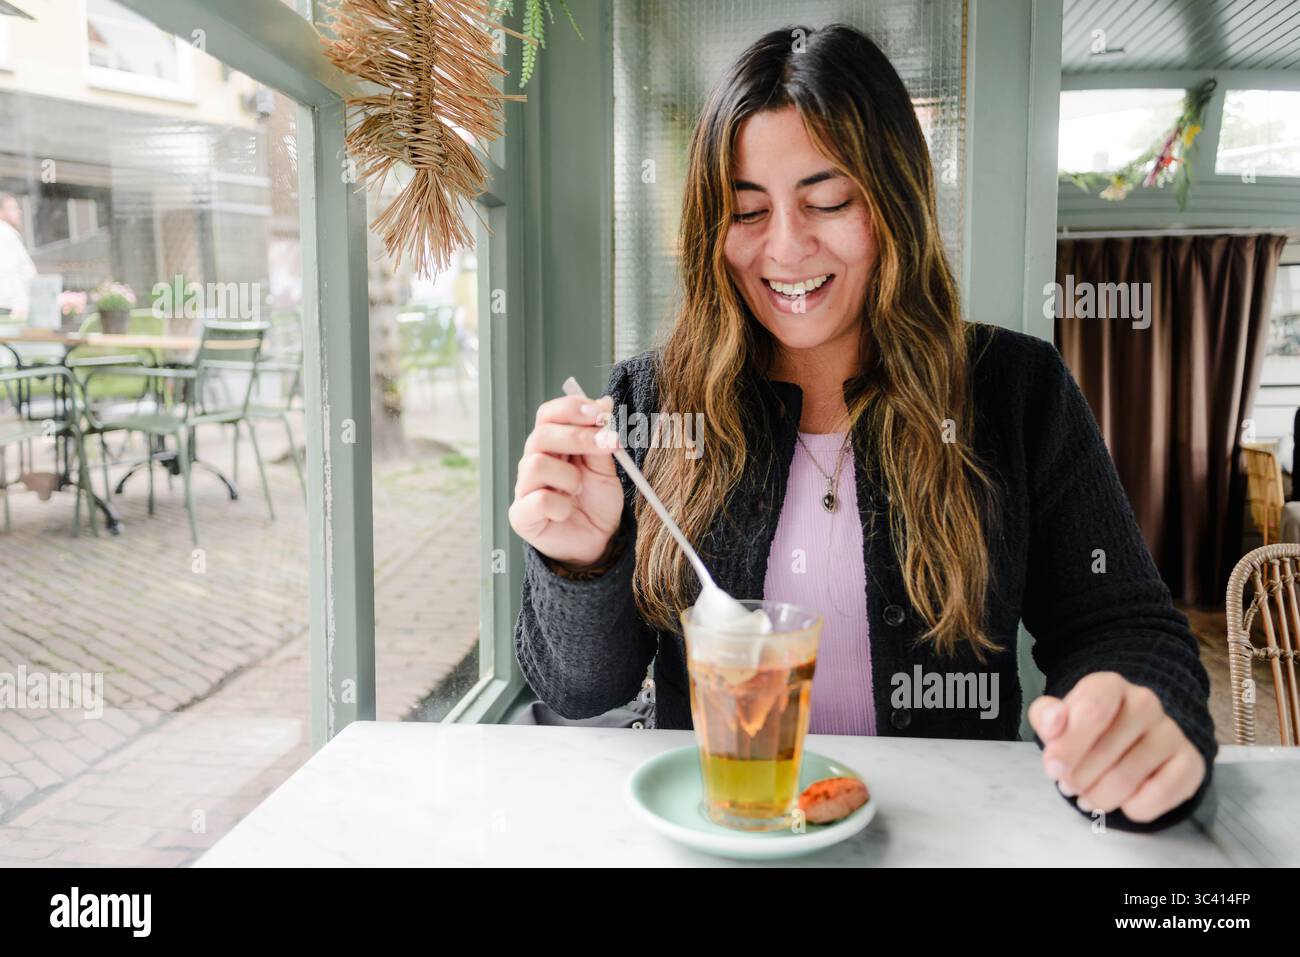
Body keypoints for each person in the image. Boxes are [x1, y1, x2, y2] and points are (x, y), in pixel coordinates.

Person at [509, 24, 1216, 831]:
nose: (784, 248)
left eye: (829, 201)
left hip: (947, 839)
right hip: (721, 839)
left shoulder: (1017, 390)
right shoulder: (652, 400)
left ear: (895, 204)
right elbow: (578, 689)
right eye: (746, 210)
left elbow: (1119, 624)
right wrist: (581, 559)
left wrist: (1132, 712)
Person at [0, 192, 36, 318]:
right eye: (13, 208)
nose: (19, 212)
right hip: (9, 308)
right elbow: (8, 274)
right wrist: (20, 306)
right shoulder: (5, 234)